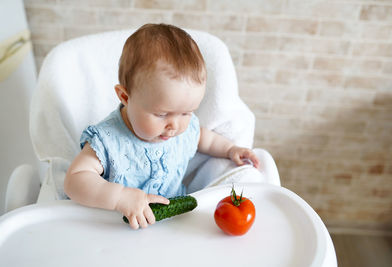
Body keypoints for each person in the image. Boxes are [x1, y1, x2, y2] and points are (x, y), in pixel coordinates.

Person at [64, 23, 259, 230]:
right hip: (116, 228)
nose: (174, 126)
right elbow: (75, 180)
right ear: (125, 96)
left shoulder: (184, 129)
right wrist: (120, 197)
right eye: (161, 114)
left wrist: (230, 149)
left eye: (187, 112)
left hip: (173, 224)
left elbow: (203, 138)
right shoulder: (108, 141)